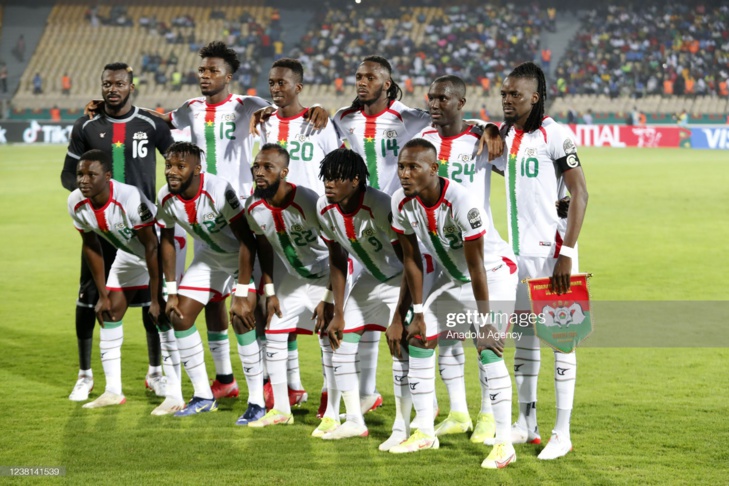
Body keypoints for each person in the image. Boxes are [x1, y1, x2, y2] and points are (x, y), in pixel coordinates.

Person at [390, 139, 516, 467]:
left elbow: (477, 266)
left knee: (490, 349)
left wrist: (486, 322)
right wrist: (413, 313)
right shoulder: (400, 203)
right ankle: (424, 432)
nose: (404, 174)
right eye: (401, 166)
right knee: (417, 335)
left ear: (433, 169)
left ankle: (504, 444)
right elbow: (412, 262)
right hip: (454, 281)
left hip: (493, 277)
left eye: (412, 167)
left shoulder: (462, 202)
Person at [61, 62, 182, 403]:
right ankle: (85, 375)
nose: (112, 89)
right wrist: (89, 195)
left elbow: (176, 160)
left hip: (142, 229)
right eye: (106, 84)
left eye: (118, 84)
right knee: (90, 301)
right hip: (102, 230)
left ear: (131, 86)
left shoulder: (149, 123)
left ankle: (155, 372)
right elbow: (68, 175)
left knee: (150, 302)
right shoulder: (86, 125)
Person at [415, 75, 518, 445]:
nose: (434, 103)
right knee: (446, 339)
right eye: (431, 97)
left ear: (460, 103)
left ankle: (489, 417)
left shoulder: (480, 139)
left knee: (483, 337)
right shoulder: (423, 141)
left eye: (443, 98)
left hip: (482, 254)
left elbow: (517, 168)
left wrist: (489, 126)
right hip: (443, 258)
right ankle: (458, 412)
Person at [494, 61, 588, 460]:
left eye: (515, 94)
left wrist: (566, 253)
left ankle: (562, 433)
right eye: (504, 93)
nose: (507, 100)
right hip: (517, 257)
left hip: (553, 256)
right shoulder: (504, 136)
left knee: (561, 343)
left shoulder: (556, 135)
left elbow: (580, 194)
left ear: (535, 96)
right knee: (525, 340)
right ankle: (526, 423)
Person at [315, 148, 436, 447]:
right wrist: (337, 307)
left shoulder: (381, 206)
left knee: (402, 346)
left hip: (405, 279)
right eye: (325, 178)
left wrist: (397, 318)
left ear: (355, 181)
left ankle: (407, 424)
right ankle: (355, 421)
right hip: (370, 278)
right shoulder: (324, 207)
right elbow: (337, 257)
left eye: (335, 179)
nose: (328, 185)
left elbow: (411, 262)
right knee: (339, 341)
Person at [243, 144, 340, 433]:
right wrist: (270, 291)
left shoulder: (309, 201)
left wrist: (329, 296)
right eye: (257, 166)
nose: (260, 172)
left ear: (284, 172)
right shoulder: (254, 207)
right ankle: (281, 410)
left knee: (329, 339)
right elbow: (264, 248)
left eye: (268, 167)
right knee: (274, 335)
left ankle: (332, 412)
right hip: (292, 279)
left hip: (324, 275)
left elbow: (337, 250)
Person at [157, 142, 258, 418]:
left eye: (180, 166)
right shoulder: (165, 196)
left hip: (241, 257)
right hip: (211, 257)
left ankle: (257, 402)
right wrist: (171, 290)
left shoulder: (218, 189)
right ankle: (203, 395)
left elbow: (247, 240)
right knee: (178, 315)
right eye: (169, 165)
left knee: (243, 318)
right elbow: (166, 240)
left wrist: (241, 291)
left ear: (198, 170)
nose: (172, 172)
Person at [67, 150, 165, 409]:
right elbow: (91, 246)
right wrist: (102, 295)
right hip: (131, 253)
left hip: (162, 250)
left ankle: (171, 389)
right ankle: (112, 391)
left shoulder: (128, 197)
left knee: (166, 315)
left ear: (108, 177)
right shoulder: (76, 202)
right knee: (109, 313)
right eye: (80, 174)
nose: (84, 180)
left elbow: (152, 245)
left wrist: (155, 298)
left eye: (91, 174)